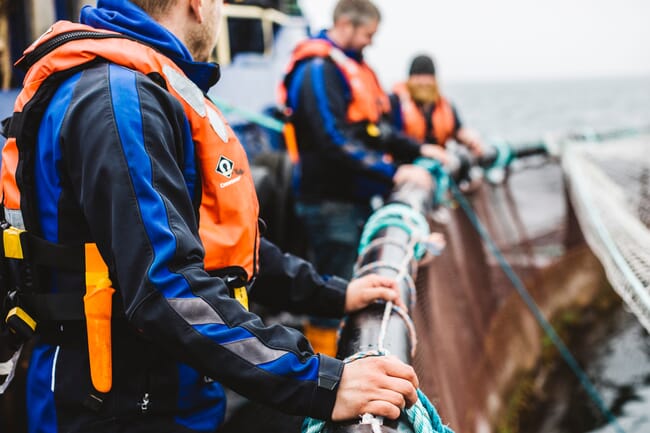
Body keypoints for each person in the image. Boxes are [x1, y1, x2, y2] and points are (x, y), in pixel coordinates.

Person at [0, 0, 420, 432]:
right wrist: (324, 384)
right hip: (119, 407)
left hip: (164, 390)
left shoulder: (132, 89)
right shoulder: (119, 101)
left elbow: (216, 247)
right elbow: (164, 286)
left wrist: (334, 294)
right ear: (197, 6)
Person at [280, 0, 443, 281]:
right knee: (334, 291)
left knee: (356, 282)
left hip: (354, 200)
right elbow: (333, 139)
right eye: (368, 34)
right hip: (329, 204)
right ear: (346, 24)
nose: (371, 43)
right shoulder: (317, 69)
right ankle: (322, 327)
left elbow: (374, 130)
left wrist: (419, 149)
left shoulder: (349, 67)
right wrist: (394, 172)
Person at [390, 54, 484, 156]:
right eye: (418, 76)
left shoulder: (445, 105)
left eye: (428, 77)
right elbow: (390, 136)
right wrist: (421, 149)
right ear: (409, 79)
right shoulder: (395, 103)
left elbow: (457, 129)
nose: (423, 82)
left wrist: (470, 138)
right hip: (407, 162)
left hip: (439, 162)